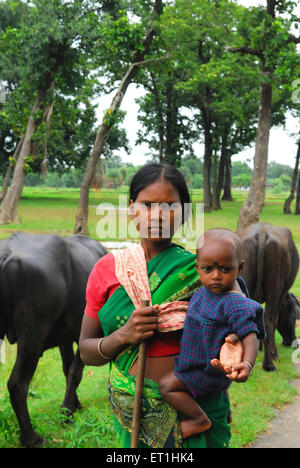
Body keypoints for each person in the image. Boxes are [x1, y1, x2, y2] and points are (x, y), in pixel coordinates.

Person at [79, 163, 253, 448]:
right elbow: (86, 350)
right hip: (133, 408)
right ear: (132, 208)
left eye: (170, 205)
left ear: (184, 212)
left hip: (198, 406)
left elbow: (245, 327)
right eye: (147, 205)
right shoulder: (107, 270)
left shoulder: (205, 272)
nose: (158, 215)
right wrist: (124, 335)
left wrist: (238, 353)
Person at [159, 228, 265, 440]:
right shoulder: (207, 290)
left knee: (166, 386)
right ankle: (224, 408)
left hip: (202, 370)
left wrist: (247, 364)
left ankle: (199, 420)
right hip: (200, 361)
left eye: (225, 269)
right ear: (197, 268)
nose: (216, 276)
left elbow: (250, 334)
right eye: (208, 269)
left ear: (240, 268)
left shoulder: (233, 302)